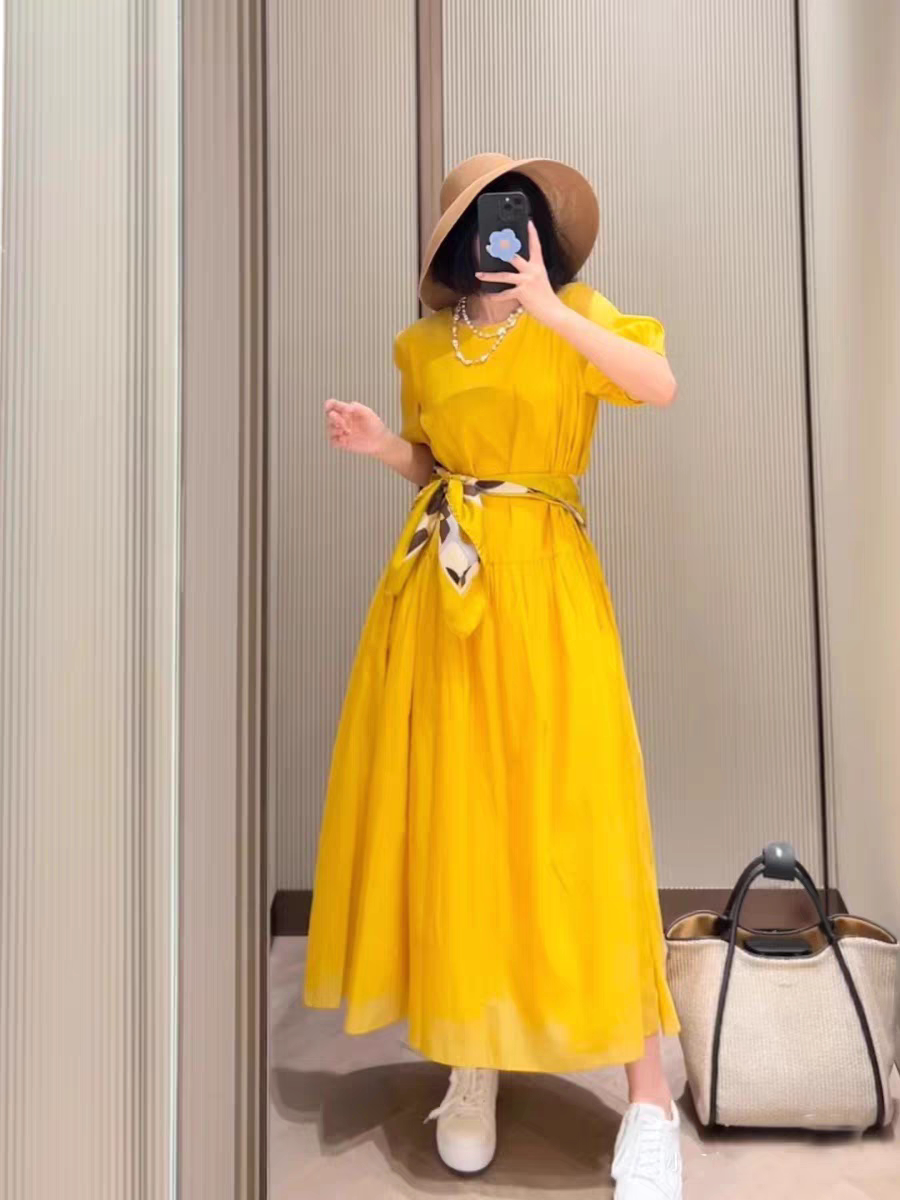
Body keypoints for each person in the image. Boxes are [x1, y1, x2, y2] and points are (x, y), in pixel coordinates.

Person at [305, 152, 684, 1200]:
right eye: (479, 220)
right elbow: (439, 463)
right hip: (445, 590)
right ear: (454, 241)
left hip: (549, 587)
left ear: (540, 234)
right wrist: (386, 448)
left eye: (511, 217)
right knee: (461, 821)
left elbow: (656, 384)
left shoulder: (578, 316)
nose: (499, 233)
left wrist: (551, 309)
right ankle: (470, 1057)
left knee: (582, 820)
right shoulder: (422, 344)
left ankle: (649, 1099)